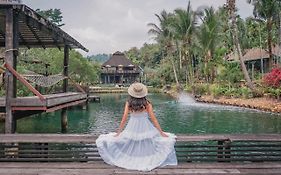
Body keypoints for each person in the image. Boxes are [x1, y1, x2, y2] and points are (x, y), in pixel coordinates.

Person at [96, 82, 177, 171]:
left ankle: (134, 156)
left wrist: (119, 132)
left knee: (127, 139)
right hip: (145, 126)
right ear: (143, 93)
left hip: (132, 126)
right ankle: (144, 156)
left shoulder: (128, 103)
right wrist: (161, 133)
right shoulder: (147, 104)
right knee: (151, 140)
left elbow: (124, 118)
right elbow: (154, 119)